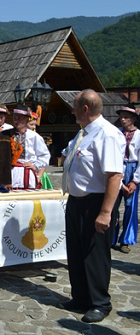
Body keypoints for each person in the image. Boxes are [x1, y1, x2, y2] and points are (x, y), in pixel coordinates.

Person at [60, 89, 125, 323]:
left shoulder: (107, 134)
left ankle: (100, 303)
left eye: (74, 106)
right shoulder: (84, 133)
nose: (72, 111)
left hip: (95, 202)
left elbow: (114, 176)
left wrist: (106, 212)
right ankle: (80, 296)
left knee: (94, 254)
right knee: (76, 252)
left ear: (85, 109)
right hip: (76, 202)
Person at [112, 103, 140, 254]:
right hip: (117, 168)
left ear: (133, 119)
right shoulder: (117, 133)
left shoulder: (139, 135)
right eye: (121, 117)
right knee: (113, 204)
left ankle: (126, 240)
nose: (123, 120)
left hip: (133, 169)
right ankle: (111, 236)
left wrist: (135, 180)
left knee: (130, 206)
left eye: (126, 117)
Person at [27, 111, 53, 189]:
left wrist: (39, 176)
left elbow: (44, 157)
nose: (34, 127)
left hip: (37, 174)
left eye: (35, 125)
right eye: (31, 124)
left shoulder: (37, 137)